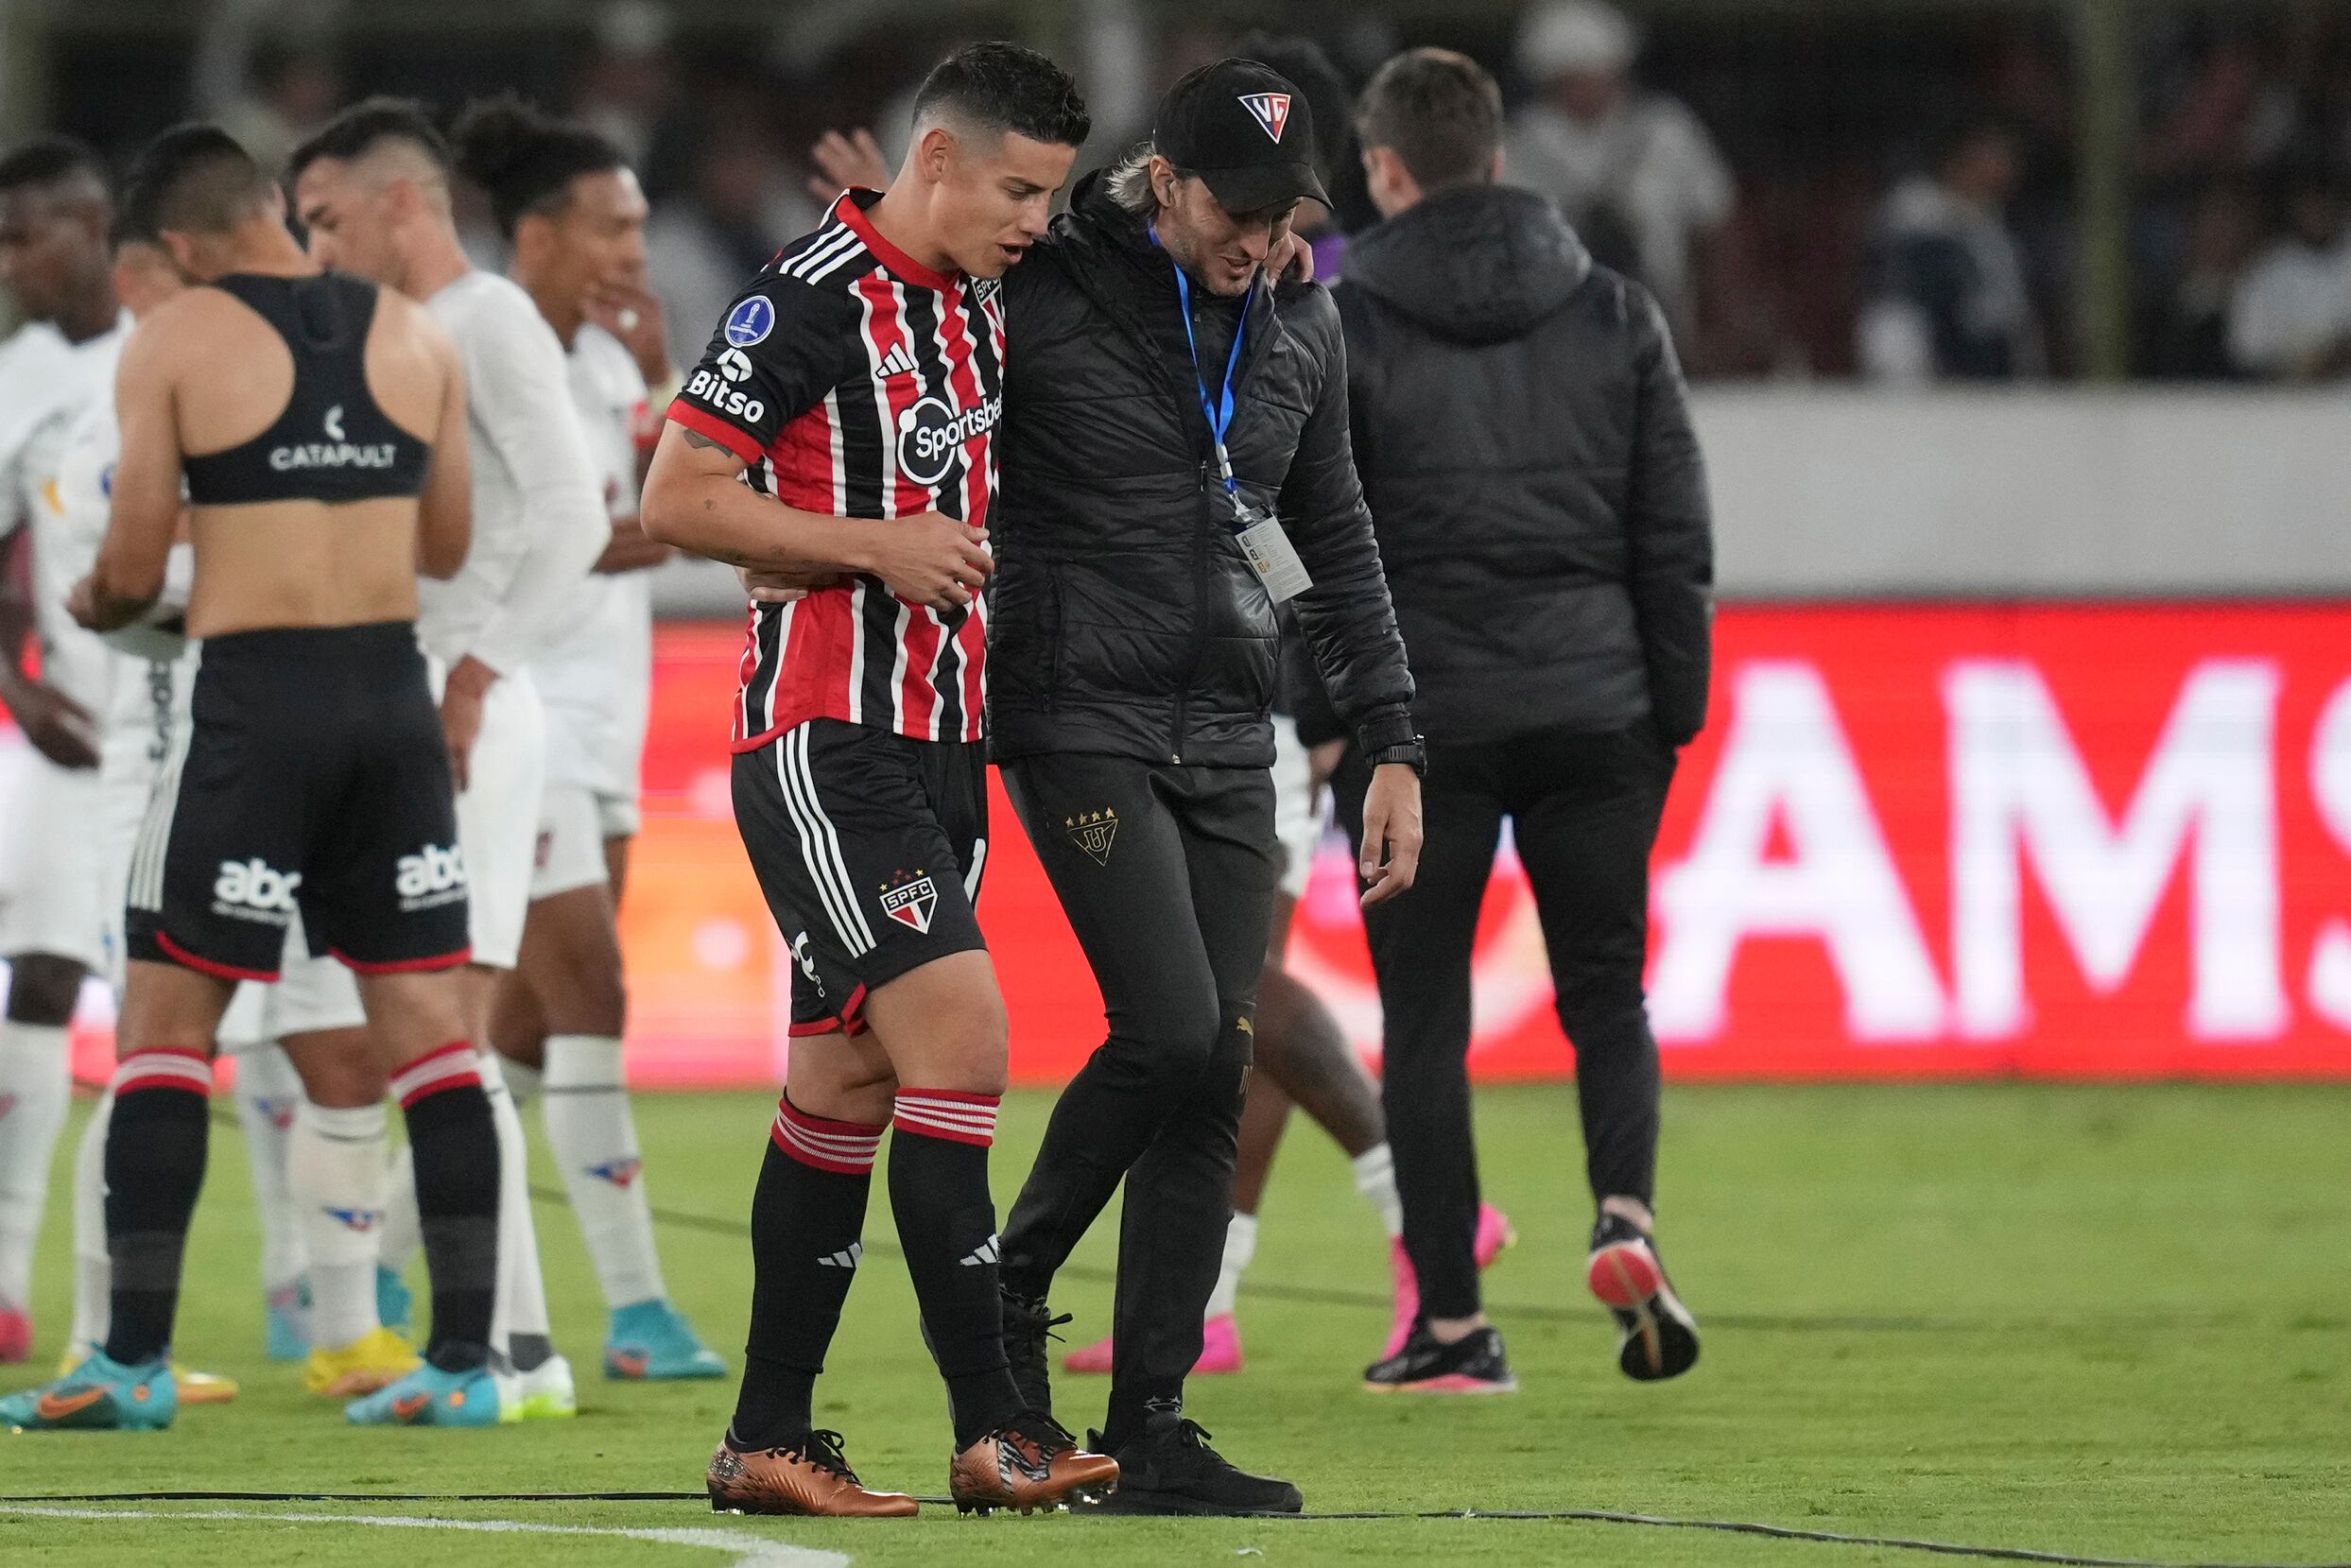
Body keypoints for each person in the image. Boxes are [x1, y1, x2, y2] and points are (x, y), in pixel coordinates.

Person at [640, 42, 1116, 1518]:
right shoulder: (805, 301)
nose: (1035, 220)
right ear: (937, 160)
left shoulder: (973, 293)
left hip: (937, 746)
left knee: (841, 1081)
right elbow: (674, 496)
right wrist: (875, 545)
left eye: (1053, 193)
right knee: (962, 1040)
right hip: (822, 738)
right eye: (1018, 189)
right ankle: (993, 1425)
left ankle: (768, 1436)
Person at [0, 122, 504, 1432]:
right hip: (387, 703)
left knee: (167, 1030)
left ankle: (128, 1363)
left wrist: (111, 601)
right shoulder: (417, 334)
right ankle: (459, 1362)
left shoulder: (175, 341)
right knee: (432, 1039)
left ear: (172, 245)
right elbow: (447, 544)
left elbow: (127, 558)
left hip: (252, 708)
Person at [977, 60, 1422, 1514]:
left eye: (1287, 212)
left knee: (1216, 1060)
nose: (1263, 240)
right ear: (1159, 179)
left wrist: (1393, 736)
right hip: (1076, 710)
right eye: (1237, 209)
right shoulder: (1037, 281)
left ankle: (1151, 1423)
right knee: (1168, 1030)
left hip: (1236, 729)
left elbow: (1334, 526)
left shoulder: (1303, 312)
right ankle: (1011, 1279)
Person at [1337, 47, 1712, 1391]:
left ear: (1383, 171)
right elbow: (1671, 534)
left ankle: (1448, 1327)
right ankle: (1624, 1216)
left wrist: (1340, 716)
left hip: (1416, 726)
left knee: (1423, 1011)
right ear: (1498, 157)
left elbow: (1320, 535)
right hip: (1597, 702)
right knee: (1606, 990)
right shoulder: (1612, 310)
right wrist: (1669, 704)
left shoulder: (1348, 321)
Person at [288, 97, 612, 1422]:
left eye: (323, 219)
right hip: (422, 694)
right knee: (436, 1026)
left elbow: (580, 513)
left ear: (399, 204)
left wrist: (475, 669)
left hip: (466, 702)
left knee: (448, 1020)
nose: (312, 248)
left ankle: (514, 1349)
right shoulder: (411, 331)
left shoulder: (484, 319)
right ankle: (515, 1342)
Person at [448, 94, 723, 1383]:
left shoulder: (612, 359)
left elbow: (683, 499)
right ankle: (634, 1306)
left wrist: (663, 361)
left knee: (516, 1025)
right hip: (520, 705)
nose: (632, 245)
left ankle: (385, 1255)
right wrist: (630, 533)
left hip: (607, 705)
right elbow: (565, 532)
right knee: (592, 994)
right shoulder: (483, 354)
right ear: (538, 232)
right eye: (611, 225)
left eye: (638, 223)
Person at [0, 137, 130, 1365]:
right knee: (38, 976)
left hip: (193, 730)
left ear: (92, 223)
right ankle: (4, 1274)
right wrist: (22, 693)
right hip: (65, 732)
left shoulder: (179, 347)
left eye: (25, 236)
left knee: (181, 1013)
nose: (10, 265)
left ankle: (324, 1291)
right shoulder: (14, 377)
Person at [1503, 0, 1734, 351]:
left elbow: (1715, 224)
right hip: (1554, 335)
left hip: (1662, 322)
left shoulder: (1664, 130)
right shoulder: (1520, 145)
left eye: (1600, 73)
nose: (1589, 88)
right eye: (1574, 78)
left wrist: (1714, 324)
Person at [1857, 115, 2044, 382]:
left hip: (1987, 347)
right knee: (1893, 330)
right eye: (1991, 155)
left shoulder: (1997, 222)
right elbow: (1909, 286)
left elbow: (2009, 305)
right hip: (1924, 338)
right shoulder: (1916, 206)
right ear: (1961, 157)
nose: (2003, 167)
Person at [2226, 158, 2351, 381]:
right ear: (2296, 207)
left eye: (2325, 202)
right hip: (2287, 401)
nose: (2319, 212)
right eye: (2310, 203)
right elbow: (2245, 350)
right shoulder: (2267, 271)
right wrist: (2301, 362)